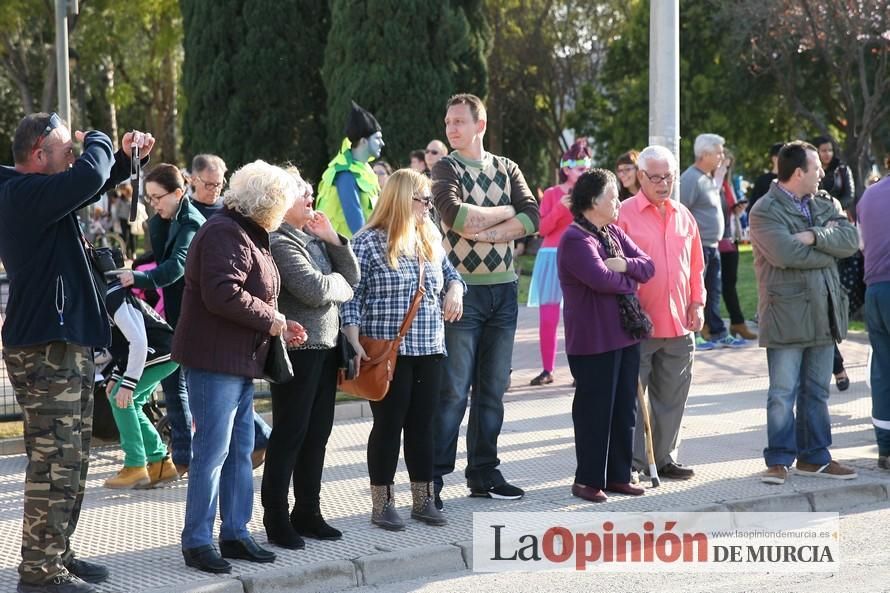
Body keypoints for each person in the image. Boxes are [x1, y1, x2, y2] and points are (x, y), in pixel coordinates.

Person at [0, 112, 154, 593]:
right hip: (45, 347)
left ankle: (57, 553)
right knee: (55, 461)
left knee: (73, 457)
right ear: (40, 150)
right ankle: (39, 574)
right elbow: (88, 174)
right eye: (66, 147)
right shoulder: (21, 195)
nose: (74, 153)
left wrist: (125, 158)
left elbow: (91, 181)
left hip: (64, 344)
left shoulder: (43, 196)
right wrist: (101, 140)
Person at [172, 160, 307, 574]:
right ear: (266, 202)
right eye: (282, 204)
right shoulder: (223, 232)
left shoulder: (247, 231)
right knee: (211, 454)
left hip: (239, 360)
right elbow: (222, 294)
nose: (285, 212)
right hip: (215, 362)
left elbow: (256, 290)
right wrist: (274, 321)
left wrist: (281, 325)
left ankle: (235, 533)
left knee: (239, 452)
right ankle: (197, 541)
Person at [431, 93, 539, 509]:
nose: (451, 128)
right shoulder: (446, 167)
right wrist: (503, 214)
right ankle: (434, 478)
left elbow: (532, 217)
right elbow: (454, 217)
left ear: (481, 124)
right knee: (454, 391)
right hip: (462, 292)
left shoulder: (506, 167)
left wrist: (486, 230)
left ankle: (484, 471)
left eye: (459, 121)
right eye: (447, 122)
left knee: (493, 389)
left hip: (505, 291)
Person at [342, 169, 465, 530]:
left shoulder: (429, 235)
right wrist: (351, 338)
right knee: (388, 425)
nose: (429, 206)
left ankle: (424, 500)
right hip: (387, 352)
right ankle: (382, 504)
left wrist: (455, 291)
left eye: (429, 200)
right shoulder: (367, 242)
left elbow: (452, 276)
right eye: (423, 199)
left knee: (423, 426)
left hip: (429, 346)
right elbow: (352, 294)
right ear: (401, 199)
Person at [749, 141, 859, 485]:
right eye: (816, 169)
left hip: (824, 310)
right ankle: (779, 460)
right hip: (786, 315)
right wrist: (829, 252)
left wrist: (812, 236)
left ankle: (815, 458)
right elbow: (784, 254)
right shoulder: (764, 210)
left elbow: (851, 240)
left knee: (817, 390)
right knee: (782, 392)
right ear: (799, 173)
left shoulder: (825, 203)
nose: (823, 173)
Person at [262, 169, 359, 549]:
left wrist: (334, 239)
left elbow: (353, 275)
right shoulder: (279, 241)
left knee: (317, 435)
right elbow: (316, 290)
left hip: (327, 347)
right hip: (299, 351)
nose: (310, 199)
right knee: (290, 435)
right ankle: (276, 517)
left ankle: (308, 512)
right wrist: (341, 286)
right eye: (303, 194)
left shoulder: (312, 239)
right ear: (283, 201)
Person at [558, 169, 654, 503]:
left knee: (624, 410)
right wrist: (629, 277)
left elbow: (647, 265)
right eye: (612, 196)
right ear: (593, 201)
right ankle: (587, 480)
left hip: (625, 334)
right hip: (593, 340)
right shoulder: (575, 239)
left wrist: (624, 266)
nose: (618, 203)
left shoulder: (611, 232)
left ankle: (618, 475)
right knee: (594, 411)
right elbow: (601, 279)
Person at [617, 144, 705, 481]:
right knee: (634, 401)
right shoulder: (623, 214)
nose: (663, 183)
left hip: (680, 323)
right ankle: (637, 463)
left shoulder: (684, 214)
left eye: (668, 176)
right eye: (655, 177)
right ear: (640, 177)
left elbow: (696, 265)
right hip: (638, 325)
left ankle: (665, 457)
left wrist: (698, 302)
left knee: (672, 397)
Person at [117, 164, 205, 477]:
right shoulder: (162, 221)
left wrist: (136, 277)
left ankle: (258, 438)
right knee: (173, 389)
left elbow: (174, 268)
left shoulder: (192, 222)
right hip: (174, 319)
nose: (153, 204)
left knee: (199, 391)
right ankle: (177, 457)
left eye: (158, 198)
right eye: (150, 198)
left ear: (179, 193)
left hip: (195, 321)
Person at [100, 252, 179, 490]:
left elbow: (138, 341)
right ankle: (160, 464)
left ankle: (135, 465)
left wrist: (128, 383)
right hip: (160, 351)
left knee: (122, 399)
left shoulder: (112, 296)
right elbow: (124, 344)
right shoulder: (108, 295)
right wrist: (117, 376)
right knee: (125, 400)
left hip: (160, 351)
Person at [527, 140, 592, 386]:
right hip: (552, 257)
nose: (583, 173)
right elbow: (542, 228)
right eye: (579, 169)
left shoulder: (591, 194)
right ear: (567, 169)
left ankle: (581, 370)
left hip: (582, 257)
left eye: (586, 168)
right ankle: (547, 369)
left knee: (580, 316)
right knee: (548, 317)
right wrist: (559, 209)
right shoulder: (553, 193)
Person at [679, 133, 745, 350]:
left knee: (712, 291)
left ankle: (717, 331)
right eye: (718, 152)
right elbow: (681, 212)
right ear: (704, 154)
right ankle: (694, 334)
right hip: (698, 247)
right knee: (696, 292)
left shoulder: (708, 177)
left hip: (713, 246)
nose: (722, 156)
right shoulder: (691, 179)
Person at [855, 172, 890, 470]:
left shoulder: (869, 195)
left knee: (882, 371)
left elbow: (862, 243)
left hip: (876, 291)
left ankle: (886, 449)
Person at [316, 101, 385, 237]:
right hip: (346, 253)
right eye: (377, 139)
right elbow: (357, 227)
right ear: (364, 141)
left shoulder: (363, 169)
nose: (382, 143)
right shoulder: (345, 173)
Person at [716, 150, 757, 340]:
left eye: (729, 165)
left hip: (731, 238)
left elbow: (732, 214)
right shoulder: (712, 184)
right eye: (724, 163)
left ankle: (737, 323)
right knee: (714, 284)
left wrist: (739, 210)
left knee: (730, 283)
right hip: (715, 240)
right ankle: (712, 325)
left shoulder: (728, 185)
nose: (726, 168)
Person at [747, 142, 784, 213]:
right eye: (785, 156)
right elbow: (753, 207)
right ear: (774, 158)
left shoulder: (792, 180)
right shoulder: (762, 181)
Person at [188, 153, 227, 219]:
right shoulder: (184, 209)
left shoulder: (228, 206)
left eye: (219, 184)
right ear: (194, 180)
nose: (215, 190)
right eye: (209, 184)